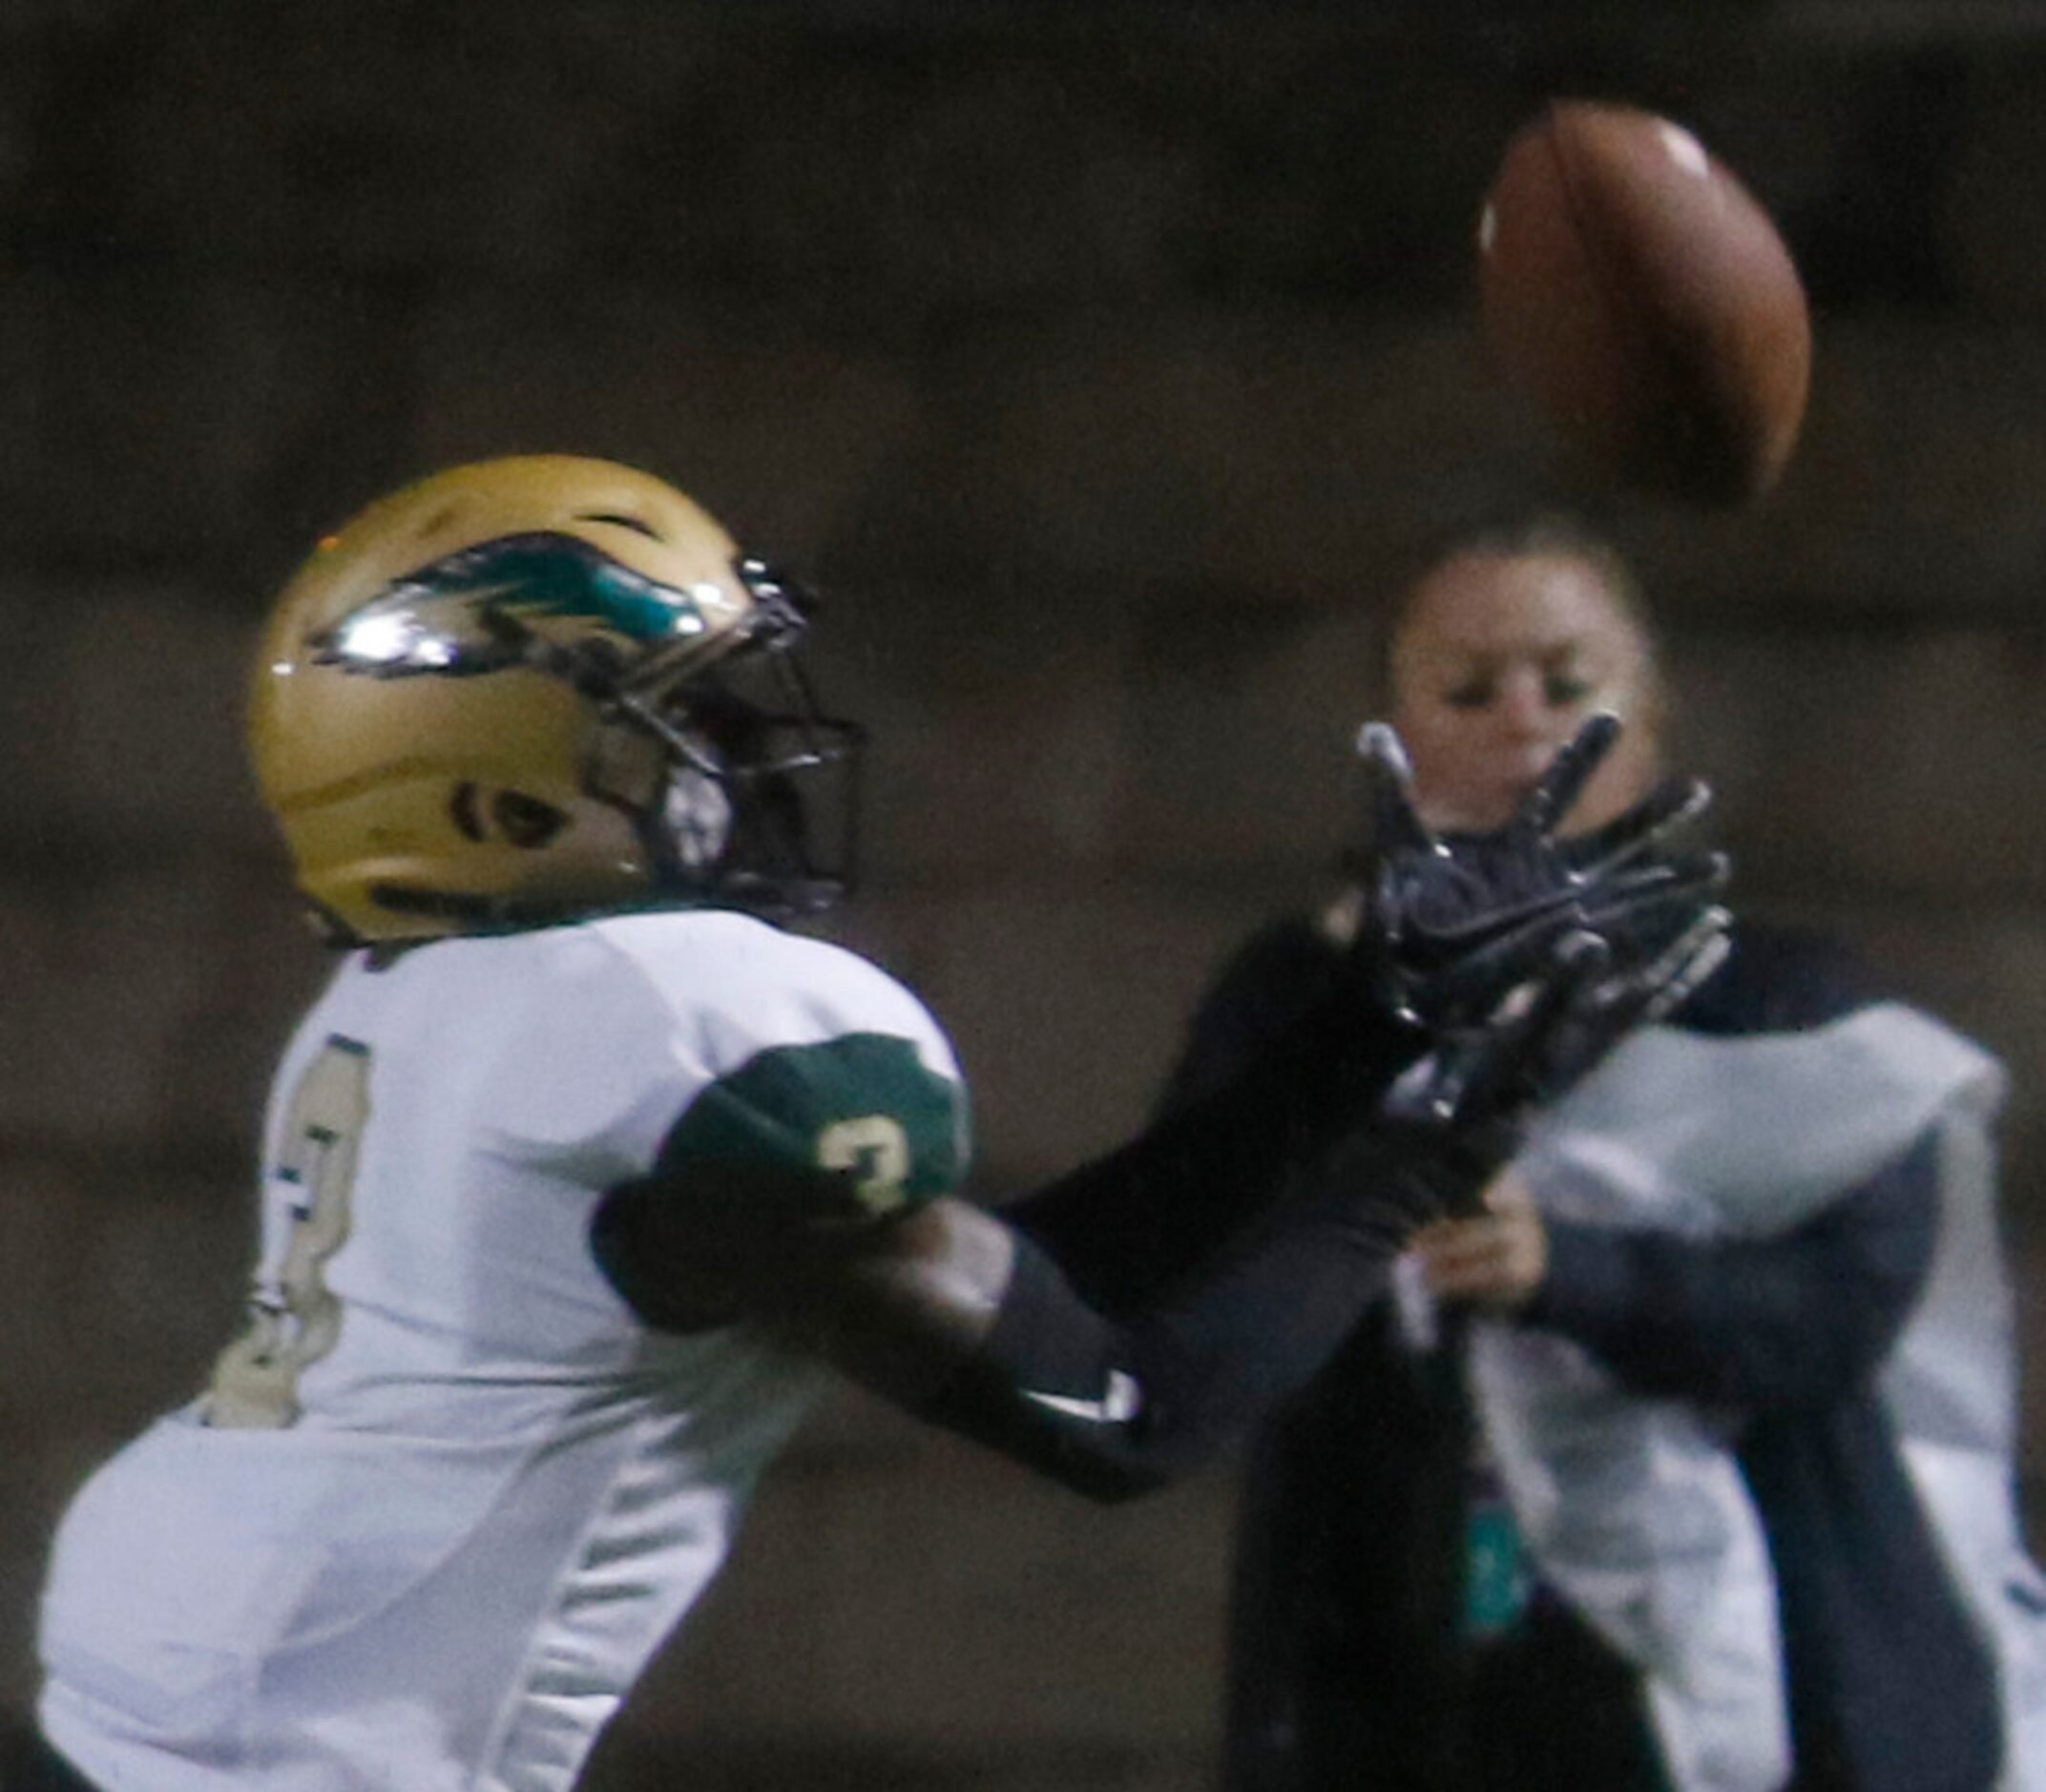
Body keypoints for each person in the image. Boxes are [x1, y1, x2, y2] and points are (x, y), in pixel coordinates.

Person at [20, 461, 1721, 1792]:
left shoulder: (427, 1005)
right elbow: (1121, 1411)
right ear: (501, 797)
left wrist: (1357, 1037)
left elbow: (1041, 1291)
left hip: (178, 1694)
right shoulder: (655, 1035)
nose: (747, 771)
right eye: (682, 733)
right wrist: (1408, 1165)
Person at [1188, 515, 2046, 1792]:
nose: (1524, 718)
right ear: (1393, 733)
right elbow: (1191, 1260)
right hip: (1414, 1664)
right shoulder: (1303, 994)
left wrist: (1572, 1268)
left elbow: (1841, 1306)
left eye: (1569, 681)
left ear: (1647, 714)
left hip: (1760, 1674)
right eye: (1468, 689)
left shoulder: (1779, 1007)